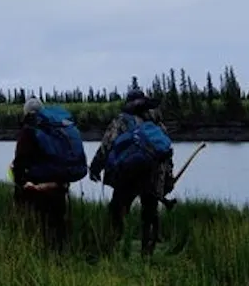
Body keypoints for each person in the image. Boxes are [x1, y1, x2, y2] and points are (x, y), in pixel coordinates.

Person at [89, 86, 174, 256]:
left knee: (117, 209)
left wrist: (95, 168)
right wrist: (168, 178)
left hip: (128, 174)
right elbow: (166, 152)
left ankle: (112, 245)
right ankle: (147, 251)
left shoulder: (121, 121)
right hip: (154, 173)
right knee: (149, 211)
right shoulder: (157, 124)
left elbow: (107, 145)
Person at [12, 97, 88, 250]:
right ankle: (61, 255)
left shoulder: (29, 129)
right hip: (59, 182)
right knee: (58, 221)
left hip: (38, 184)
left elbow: (20, 160)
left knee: (37, 221)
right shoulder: (56, 127)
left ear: (26, 112)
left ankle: (36, 251)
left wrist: (19, 180)